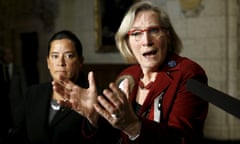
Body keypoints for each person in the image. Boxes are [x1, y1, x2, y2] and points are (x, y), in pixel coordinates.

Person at [53, 1, 209, 144]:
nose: (146, 41)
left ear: (167, 36)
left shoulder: (188, 73)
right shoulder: (127, 76)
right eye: (136, 33)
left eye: (154, 30)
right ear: (127, 42)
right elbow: (114, 137)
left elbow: (184, 140)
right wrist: (94, 118)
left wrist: (134, 126)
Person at [7, 30, 99, 144]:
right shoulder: (33, 93)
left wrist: (94, 119)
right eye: (55, 56)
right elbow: (18, 136)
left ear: (80, 61)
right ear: (48, 62)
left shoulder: (94, 98)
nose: (61, 62)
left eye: (69, 56)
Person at [0, 47, 27, 143]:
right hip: (3, 106)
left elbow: (23, 88)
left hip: (16, 104)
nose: (8, 56)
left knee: (17, 130)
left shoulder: (19, 69)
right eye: (6, 54)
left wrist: (24, 104)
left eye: (10, 53)